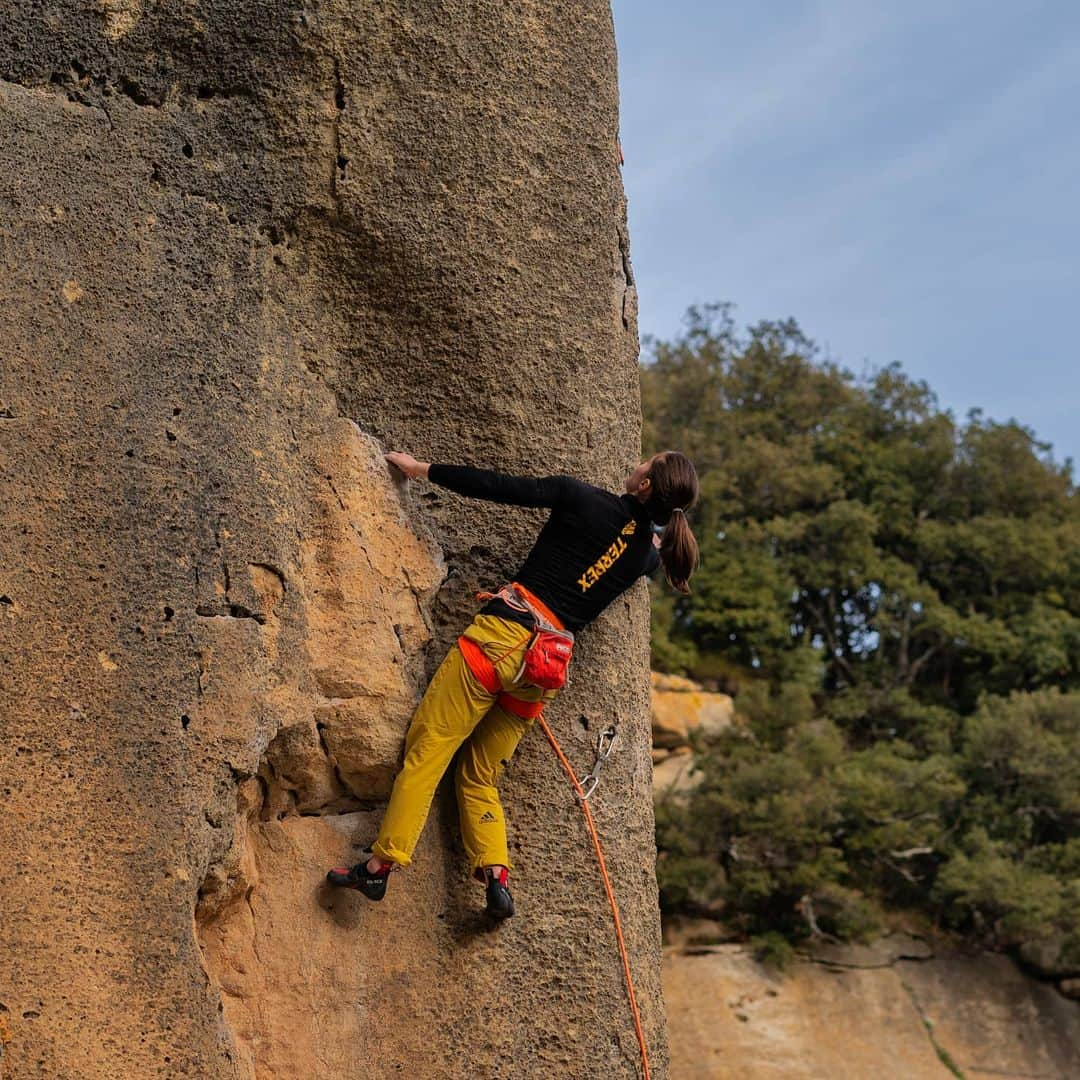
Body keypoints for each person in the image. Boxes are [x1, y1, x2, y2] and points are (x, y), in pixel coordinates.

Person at [326, 449, 699, 919]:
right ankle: (496, 874)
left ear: (646, 485)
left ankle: (380, 867)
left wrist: (423, 469)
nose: (639, 462)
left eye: (647, 463)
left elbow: (497, 485)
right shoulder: (645, 556)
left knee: (429, 751)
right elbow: (655, 547)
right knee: (480, 775)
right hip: (542, 671)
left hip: (501, 639)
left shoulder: (580, 497)